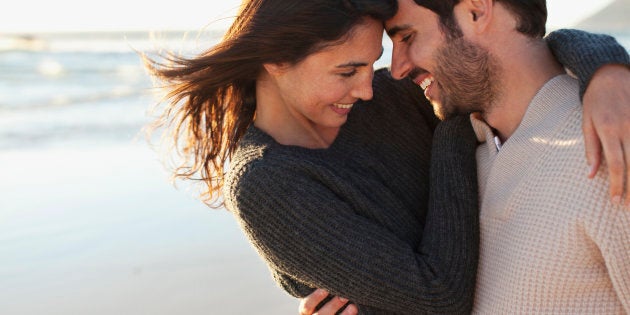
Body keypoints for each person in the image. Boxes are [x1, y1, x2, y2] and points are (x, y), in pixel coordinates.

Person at [142, 0, 630, 314]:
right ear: (276, 60)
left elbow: (522, 52)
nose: (377, 83)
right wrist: (454, 137)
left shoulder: (603, 146)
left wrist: (604, 63)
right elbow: (434, 296)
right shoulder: (268, 183)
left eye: (379, 58)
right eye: (348, 70)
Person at [364, 0, 627, 312]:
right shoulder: (458, 158)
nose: (397, 68)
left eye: (407, 37)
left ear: (477, 11)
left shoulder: (611, 142)